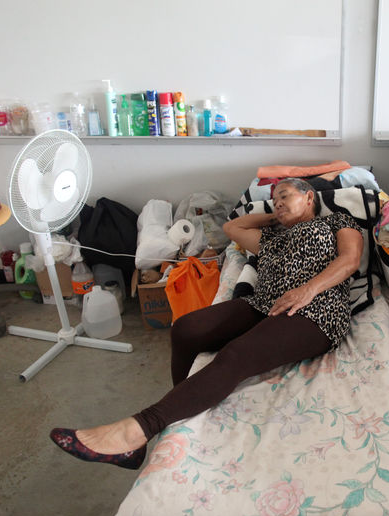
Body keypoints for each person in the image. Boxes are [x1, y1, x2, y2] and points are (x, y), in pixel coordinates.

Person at [50, 178, 363, 469]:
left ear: (310, 197)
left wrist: (307, 290)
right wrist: (276, 215)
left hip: (315, 309)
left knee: (236, 355)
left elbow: (349, 261)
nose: (277, 202)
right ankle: (184, 403)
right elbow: (232, 226)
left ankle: (137, 432)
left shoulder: (336, 221)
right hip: (263, 303)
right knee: (186, 329)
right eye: (273, 199)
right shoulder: (269, 236)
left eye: (285, 196)